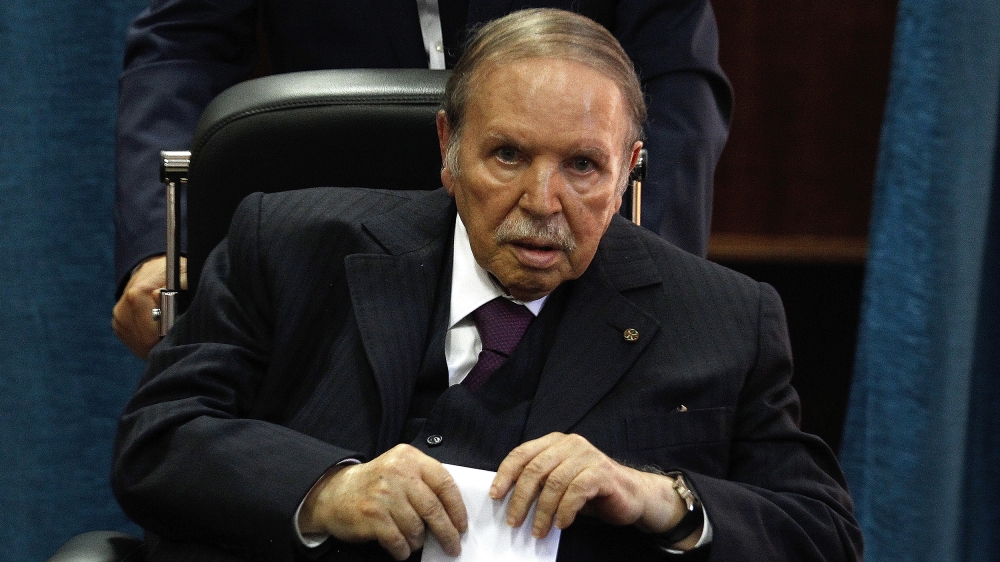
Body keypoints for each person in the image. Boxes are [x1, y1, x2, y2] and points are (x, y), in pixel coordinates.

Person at [112, 9, 860, 562]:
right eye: (507, 155)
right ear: (448, 149)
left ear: (632, 166)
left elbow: (824, 534)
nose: (542, 203)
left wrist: (659, 496)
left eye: (583, 167)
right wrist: (325, 488)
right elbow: (157, 443)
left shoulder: (723, 318)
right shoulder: (290, 248)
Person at [111, 0, 733, 360]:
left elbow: (677, 84)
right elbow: (182, 48)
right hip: (331, 248)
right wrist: (163, 244)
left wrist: (650, 281)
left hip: (553, 262)